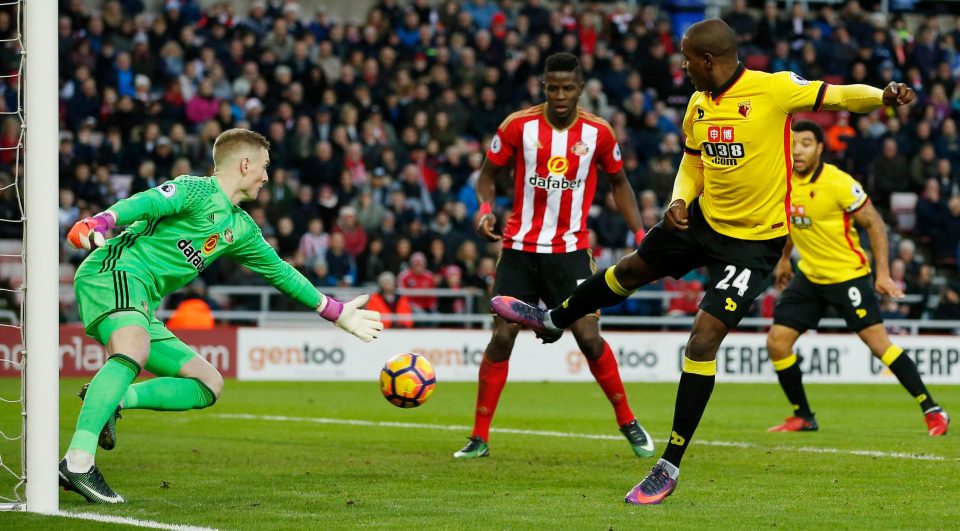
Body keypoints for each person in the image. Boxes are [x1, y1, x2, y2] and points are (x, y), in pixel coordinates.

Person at [491, 19, 917, 505]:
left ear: (708, 60)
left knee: (703, 339)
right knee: (630, 269)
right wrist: (678, 198)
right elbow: (693, 161)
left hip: (753, 244)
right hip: (702, 222)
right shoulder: (697, 103)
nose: (682, 65)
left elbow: (839, 97)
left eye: (687, 58)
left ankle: (669, 463)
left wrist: (883, 95)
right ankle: (552, 319)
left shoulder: (773, 89)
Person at [60, 128, 384, 504]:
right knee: (133, 347)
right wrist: (100, 221)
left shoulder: (241, 228)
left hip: (143, 298)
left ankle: (116, 400)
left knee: (208, 384)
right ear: (245, 164)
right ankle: (78, 462)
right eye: (263, 167)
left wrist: (335, 311)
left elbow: (280, 271)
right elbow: (147, 202)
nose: (266, 177)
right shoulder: (197, 190)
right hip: (114, 270)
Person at [454, 53, 654, 461]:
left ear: (580, 89)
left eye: (567, 88)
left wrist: (639, 234)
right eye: (552, 87)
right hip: (519, 249)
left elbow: (620, 183)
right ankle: (479, 436)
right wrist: (483, 209)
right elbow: (487, 176)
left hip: (571, 252)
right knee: (502, 337)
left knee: (589, 338)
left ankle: (628, 420)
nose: (559, 95)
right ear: (543, 87)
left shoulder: (599, 132)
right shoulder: (517, 126)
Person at [766, 120, 949, 435]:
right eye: (794, 142)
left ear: (821, 148)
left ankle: (932, 409)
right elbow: (792, 221)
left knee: (879, 344)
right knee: (777, 343)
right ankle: (803, 416)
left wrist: (883, 274)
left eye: (807, 142)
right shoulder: (782, 181)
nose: (798, 148)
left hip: (847, 276)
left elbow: (875, 224)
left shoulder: (839, 183)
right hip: (809, 275)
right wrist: (784, 260)